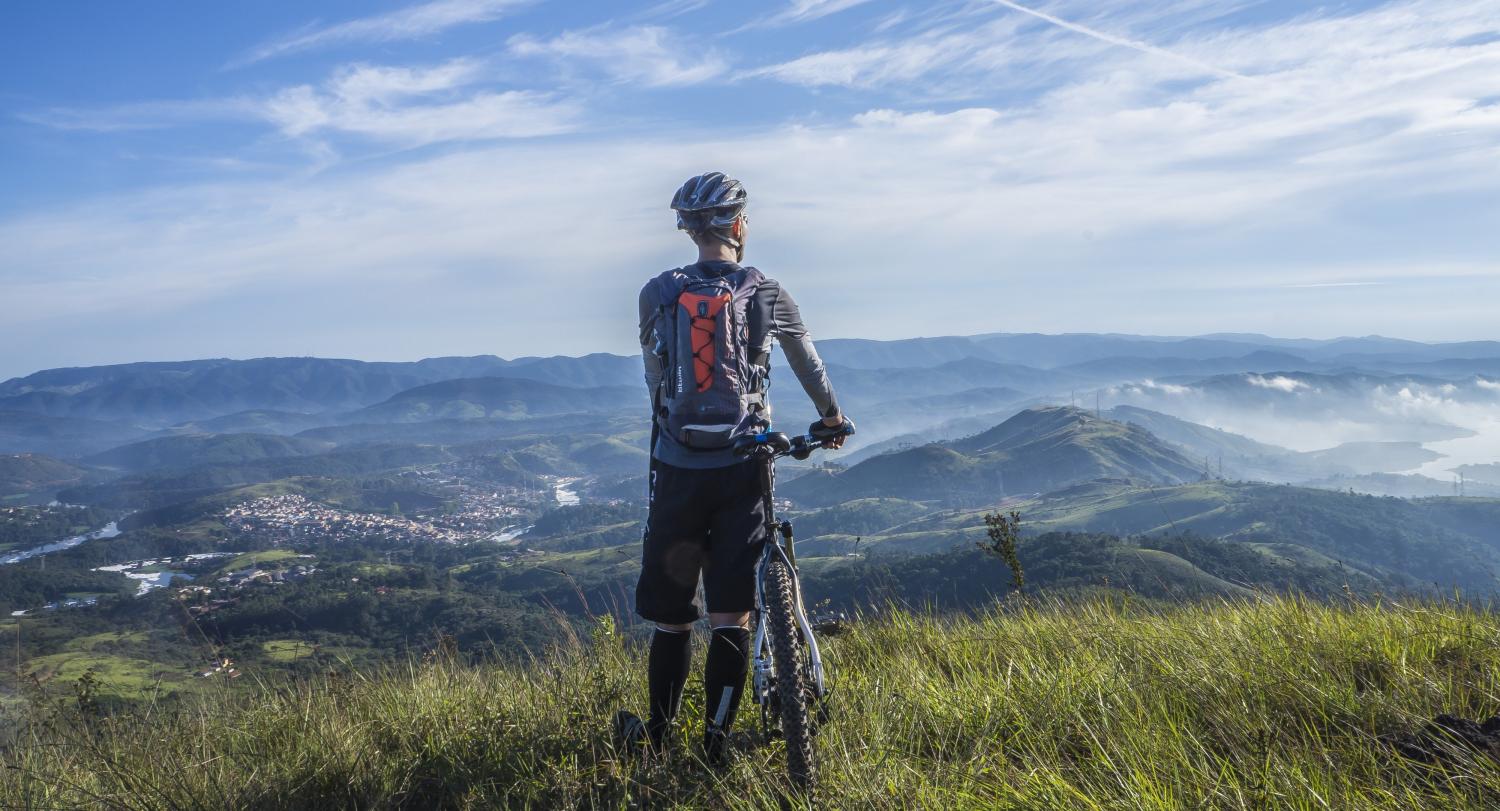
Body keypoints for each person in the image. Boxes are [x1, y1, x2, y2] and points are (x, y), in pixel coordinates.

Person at [615, 172, 853, 765]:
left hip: (676, 467)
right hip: (745, 465)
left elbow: (654, 380)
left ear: (689, 230)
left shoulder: (656, 293)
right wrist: (831, 419)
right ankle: (715, 744)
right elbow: (809, 365)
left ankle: (658, 740)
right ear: (739, 225)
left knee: (672, 622)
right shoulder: (767, 291)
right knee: (731, 615)